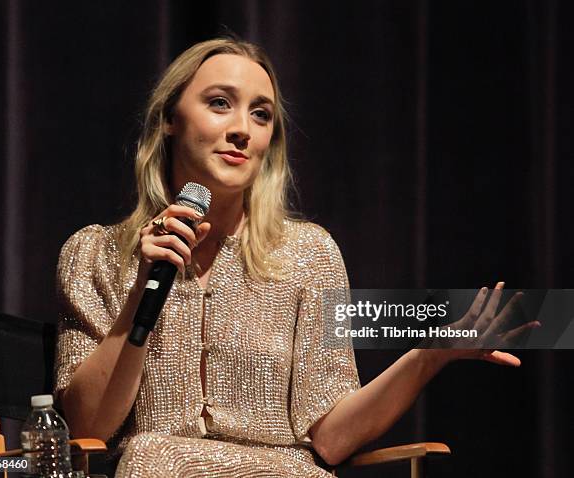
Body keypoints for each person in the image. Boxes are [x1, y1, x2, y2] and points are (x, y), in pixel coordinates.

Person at [53, 38, 534, 477]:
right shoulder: (95, 252)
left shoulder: (307, 254)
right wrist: (141, 291)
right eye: (220, 104)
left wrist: (428, 357)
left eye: (260, 115)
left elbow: (330, 437)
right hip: (154, 469)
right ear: (170, 118)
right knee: (153, 456)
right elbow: (81, 428)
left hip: (284, 472)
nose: (242, 129)